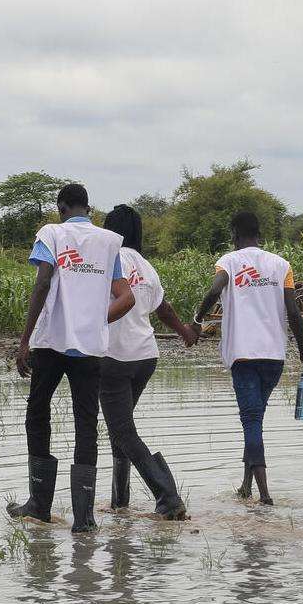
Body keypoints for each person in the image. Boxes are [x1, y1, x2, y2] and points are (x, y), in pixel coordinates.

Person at [10, 183, 135, 533]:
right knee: (86, 425)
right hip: (91, 347)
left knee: (37, 414)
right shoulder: (110, 241)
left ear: (62, 207)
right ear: (88, 207)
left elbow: (42, 283)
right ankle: (84, 519)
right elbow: (122, 294)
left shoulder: (51, 233)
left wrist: (24, 341)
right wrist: (96, 320)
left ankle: (39, 505)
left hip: (51, 343)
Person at [194, 212, 303, 505]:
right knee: (256, 418)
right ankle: (246, 485)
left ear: (235, 233)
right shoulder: (280, 265)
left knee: (251, 421)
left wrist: (197, 320)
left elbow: (214, 289)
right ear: (259, 234)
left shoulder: (229, 262)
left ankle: (265, 494)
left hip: (244, 356)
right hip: (274, 357)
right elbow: (294, 313)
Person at [99, 204, 200, 520]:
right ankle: (120, 501)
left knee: (123, 432)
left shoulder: (106, 259)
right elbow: (164, 308)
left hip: (115, 356)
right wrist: (184, 331)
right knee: (122, 430)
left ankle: (167, 496)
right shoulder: (146, 267)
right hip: (145, 357)